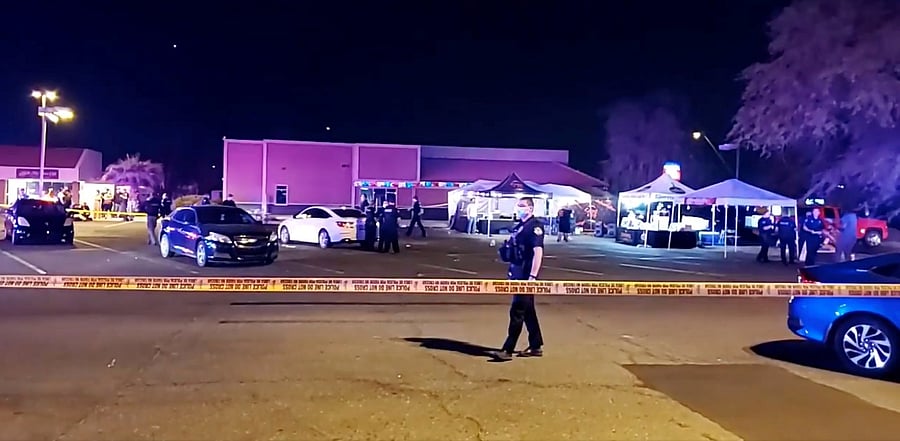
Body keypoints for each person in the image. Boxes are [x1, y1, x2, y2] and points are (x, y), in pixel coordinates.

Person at [489, 197, 545, 361]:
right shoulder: (520, 226)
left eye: (522, 206)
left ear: (531, 208)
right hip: (517, 273)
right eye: (518, 205)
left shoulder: (534, 226)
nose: (519, 208)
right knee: (527, 310)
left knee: (517, 310)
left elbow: (538, 252)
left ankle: (507, 349)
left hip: (526, 275)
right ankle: (536, 345)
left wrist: (532, 277)